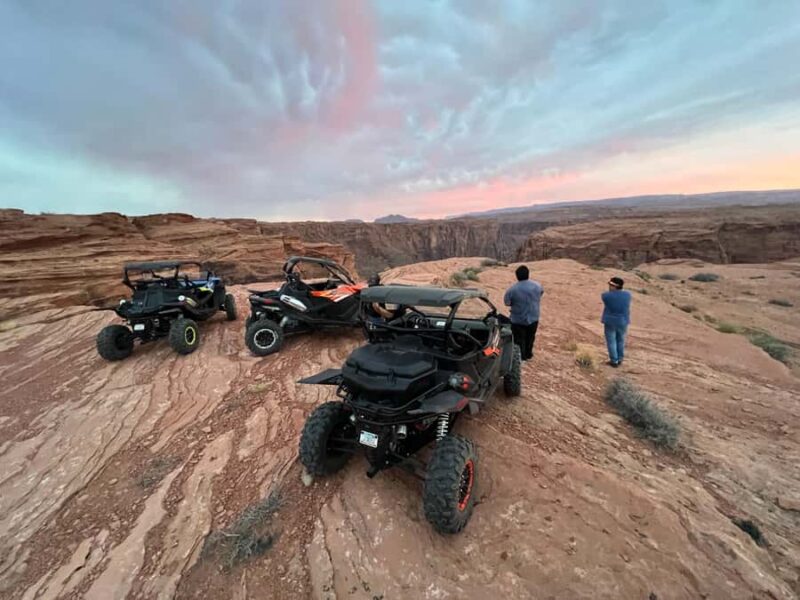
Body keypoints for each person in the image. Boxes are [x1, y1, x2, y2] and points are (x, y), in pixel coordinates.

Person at [503, 265, 544, 361]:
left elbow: (507, 303)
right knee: (530, 337)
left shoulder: (512, 289)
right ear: (528, 274)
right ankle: (529, 354)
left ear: (517, 276)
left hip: (518, 319)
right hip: (533, 317)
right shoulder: (537, 286)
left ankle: (521, 357)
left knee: (518, 339)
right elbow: (541, 293)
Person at [601, 276, 632, 367]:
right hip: (623, 321)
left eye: (611, 285)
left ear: (615, 286)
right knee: (620, 340)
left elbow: (608, 301)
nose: (609, 286)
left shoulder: (605, 295)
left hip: (610, 321)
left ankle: (614, 361)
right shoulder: (628, 295)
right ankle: (620, 359)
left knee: (611, 341)